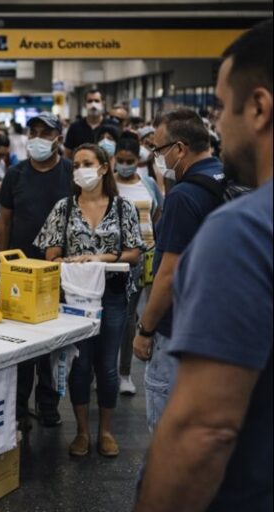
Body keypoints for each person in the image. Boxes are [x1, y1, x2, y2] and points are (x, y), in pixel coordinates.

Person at [135, 20, 272, 511]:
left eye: (220, 106)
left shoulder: (244, 232)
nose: (217, 125)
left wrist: (145, 328)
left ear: (258, 108)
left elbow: (203, 429)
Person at [35, 143, 143, 457]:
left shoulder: (123, 207)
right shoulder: (64, 208)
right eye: (76, 165)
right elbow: (51, 253)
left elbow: (135, 252)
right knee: (80, 366)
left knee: (107, 366)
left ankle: (105, 431)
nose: (81, 169)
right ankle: (82, 432)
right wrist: (68, 261)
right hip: (76, 298)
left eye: (87, 163)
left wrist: (100, 258)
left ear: (104, 168)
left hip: (112, 295)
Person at [132, 108, 225, 433]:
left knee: (169, 428)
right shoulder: (227, 179)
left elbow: (169, 274)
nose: (157, 157)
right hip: (218, 324)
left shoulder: (183, 196)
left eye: (159, 149)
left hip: (178, 329)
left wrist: (145, 330)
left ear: (180, 149)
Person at [0, 112, 73, 430]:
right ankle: (18, 405)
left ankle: (48, 402)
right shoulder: (15, 175)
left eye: (46, 132)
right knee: (21, 340)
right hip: (20, 271)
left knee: (53, 343)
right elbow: (5, 220)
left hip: (59, 271)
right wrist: (2, 262)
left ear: (58, 138)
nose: (38, 138)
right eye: (34, 132)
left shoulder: (70, 172)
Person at [112, 132, 163, 395]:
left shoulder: (148, 184)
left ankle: (124, 373)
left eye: (129, 160)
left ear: (137, 159)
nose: (125, 165)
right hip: (116, 257)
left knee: (131, 316)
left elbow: (157, 213)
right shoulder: (108, 185)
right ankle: (104, 369)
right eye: (120, 160)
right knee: (112, 315)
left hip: (144, 257)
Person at [64, 89, 107, 157]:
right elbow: (68, 153)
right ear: (85, 104)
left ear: (103, 103)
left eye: (97, 101)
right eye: (90, 101)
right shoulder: (75, 127)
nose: (93, 104)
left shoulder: (111, 125)